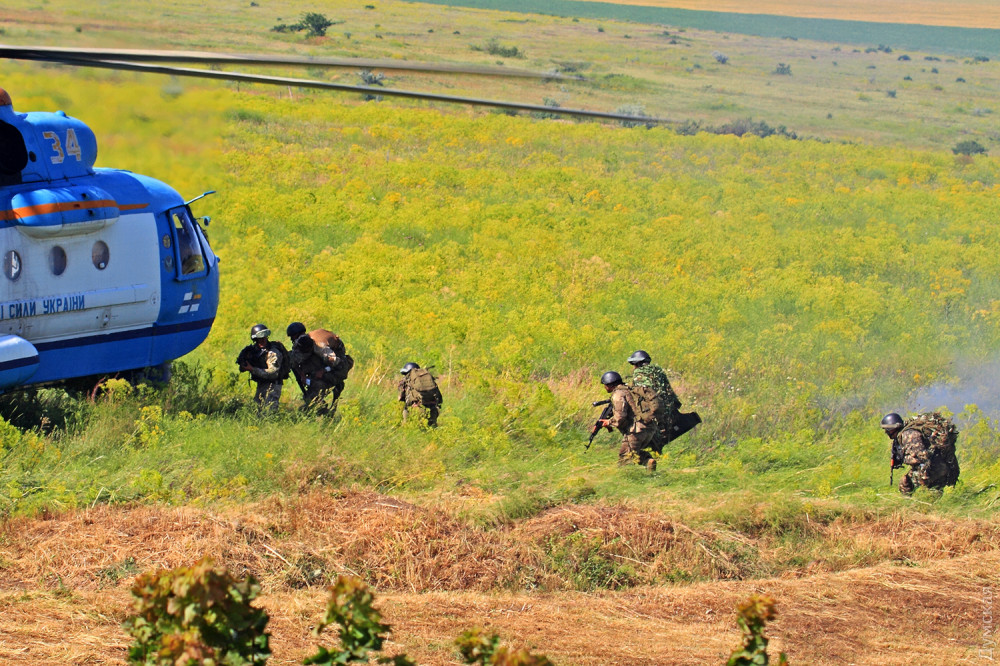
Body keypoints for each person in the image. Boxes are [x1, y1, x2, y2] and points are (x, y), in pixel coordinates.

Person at [881, 412, 960, 494]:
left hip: (932, 469)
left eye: (887, 430)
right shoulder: (908, 432)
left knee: (904, 483)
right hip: (943, 467)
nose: (886, 432)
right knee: (932, 496)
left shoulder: (908, 435)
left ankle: (906, 504)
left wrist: (905, 458)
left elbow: (919, 458)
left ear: (893, 428)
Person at [594, 370, 656, 471]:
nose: (604, 387)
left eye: (605, 385)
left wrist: (608, 422)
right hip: (649, 428)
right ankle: (648, 461)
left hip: (636, 431)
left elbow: (620, 417)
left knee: (624, 460)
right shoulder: (630, 389)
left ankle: (625, 478)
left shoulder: (618, 394)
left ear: (610, 384)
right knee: (633, 452)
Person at [286, 322, 352, 413]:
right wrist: (302, 375)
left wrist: (323, 370)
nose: (291, 339)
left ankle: (331, 391)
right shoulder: (299, 344)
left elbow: (337, 362)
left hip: (339, 364)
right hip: (322, 361)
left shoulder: (321, 348)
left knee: (316, 383)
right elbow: (294, 361)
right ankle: (316, 400)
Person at [627, 350, 680, 452]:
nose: (634, 367)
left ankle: (648, 457)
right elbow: (669, 390)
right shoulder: (658, 371)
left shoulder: (639, 373)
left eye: (634, 364)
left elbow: (643, 393)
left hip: (653, 409)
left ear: (638, 363)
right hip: (666, 407)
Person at [237, 324, 285, 412]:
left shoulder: (273, 352)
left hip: (273, 386)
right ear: (255, 339)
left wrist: (252, 369)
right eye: (260, 338)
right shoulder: (254, 351)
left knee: (269, 412)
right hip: (261, 384)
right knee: (256, 411)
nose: (263, 340)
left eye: (265, 338)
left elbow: (273, 373)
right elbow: (242, 368)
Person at [397, 362, 443, 427]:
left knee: (406, 411)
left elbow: (401, 397)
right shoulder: (428, 379)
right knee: (432, 426)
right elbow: (438, 395)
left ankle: (405, 425)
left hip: (417, 407)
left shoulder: (407, 380)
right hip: (433, 408)